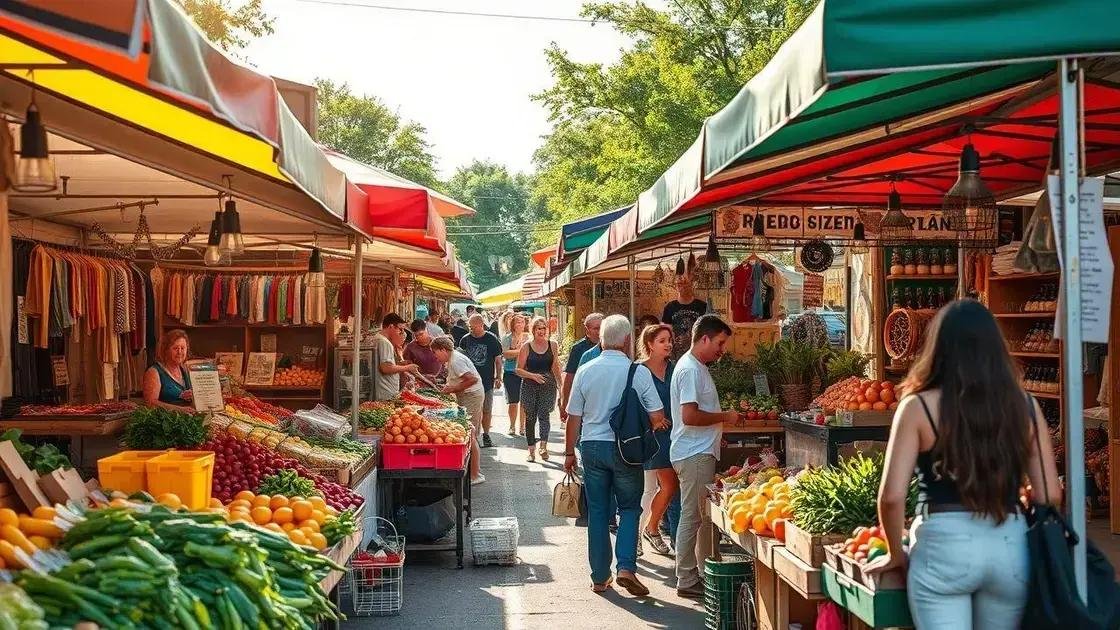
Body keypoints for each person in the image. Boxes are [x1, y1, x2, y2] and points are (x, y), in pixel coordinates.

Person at [864, 300, 1061, 629]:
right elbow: (1050, 495)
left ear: (937, 347)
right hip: (1008, 545)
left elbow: (892, 497)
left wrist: (896, 555)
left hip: (942, 545)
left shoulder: (917, 407)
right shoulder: (1025, 406)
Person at [564, 314, 668, 597]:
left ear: (602, 339)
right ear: (626, 341)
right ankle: (625, 567)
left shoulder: (586, 369)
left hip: (592, 448)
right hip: (626, 449)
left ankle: (599, 577)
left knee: (597, 511)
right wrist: (654, 423)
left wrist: (568, 453)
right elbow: (657, 415)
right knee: (630, 508)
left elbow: (573, 416)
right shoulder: (639, 372)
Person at [671, 314, 736, 599]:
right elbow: (689, 415)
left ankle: (698, 572)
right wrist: (726, 417)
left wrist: (720, 426)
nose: (722, 349)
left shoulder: (697, 367)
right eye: (720, 343)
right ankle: (686, 579)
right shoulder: (690, 370)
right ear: (705, 338)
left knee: (697, 516)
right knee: (693, 516)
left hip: (698, 451)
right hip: (693, 453)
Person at [638, 324, 681, 556]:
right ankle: (643, 532)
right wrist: (652, 420)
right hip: (648, 436)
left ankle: (651, 529)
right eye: (662, 340)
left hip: (673, 435)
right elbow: (633, 403)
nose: (668, 344)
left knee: (666, 486)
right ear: (649, 345)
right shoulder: (638, 370)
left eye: (669, 340)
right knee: (651, 488)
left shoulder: (675, 369)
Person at [431, 336, 486, 485]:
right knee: (470, 432)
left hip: (472, 396)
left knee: (471, 433)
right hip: (468, 395)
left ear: (443, 350)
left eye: (435, 353)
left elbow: (472, 379)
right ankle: (472, 472)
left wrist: (453, 388)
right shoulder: (453, 359)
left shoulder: (456, 361)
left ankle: (475, 474)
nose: (435, 357)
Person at [515, 316, 562, 462]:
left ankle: (543, 446)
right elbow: (518, 370)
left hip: (548, 385)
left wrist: (561, 385)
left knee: (544, 416)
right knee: (530, 417)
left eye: (543, 328)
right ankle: (531, 451)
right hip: (530, 386)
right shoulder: (526, 347)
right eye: (538, 328)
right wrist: (532, 376)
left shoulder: (552, 345)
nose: (541, 331)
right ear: (533, 330)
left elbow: (555, 365)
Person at [458, 314, 504, 448]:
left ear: (481, 324)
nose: (470, 329)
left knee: (487, 409)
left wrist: (498, 377)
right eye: (469, 327)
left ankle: (486, 434)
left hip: (486, 380)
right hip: (469, 381)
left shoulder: (491, 339)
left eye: (473, 327)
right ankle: (473, 435)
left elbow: (498, 360)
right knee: (472, 409)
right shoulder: (465, 340)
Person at [560, 312, 603, 424]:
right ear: (587, 329)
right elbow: (570, 376)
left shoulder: (611, 346)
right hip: (584, 398)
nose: (599, 332)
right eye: (596, 328)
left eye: (601, 328)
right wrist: (565, 403)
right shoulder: (578, 348)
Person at [662, 268, 708, 360]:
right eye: (679, 284)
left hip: (697, 355)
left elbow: (707, 332)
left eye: (685, 284)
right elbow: (665, 331)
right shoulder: (670, 307)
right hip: (675, 357)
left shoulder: (703, 306)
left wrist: (690, 338)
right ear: (675, 286)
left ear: (692, 285)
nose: (682, 287)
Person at [143, 329, 194, 410]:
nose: (179, 352)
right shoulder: (154, 372)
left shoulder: (185, 369)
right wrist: (179, 409)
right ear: (166, 350)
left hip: (187, 418)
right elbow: (150, 403)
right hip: (164, 420)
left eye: (183, 348)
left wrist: (193, 396)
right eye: (175, 348)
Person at [374, 313, 419, 401]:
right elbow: (385, 368)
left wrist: (400, 364)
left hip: (386, 392)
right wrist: (407, 367)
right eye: (400, 329)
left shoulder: (380, 339)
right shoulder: (384, 342)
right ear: (391, 326)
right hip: (386, 394)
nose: (401, 333)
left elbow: (385, 364)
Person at [502, 313, 529, 435]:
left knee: (524, 401)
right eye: (517, 322)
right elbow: (506, 354)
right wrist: (522, 351)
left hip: (525, 372)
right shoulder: (507, 338)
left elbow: (531, 353)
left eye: (522, 322)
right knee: (513, 402)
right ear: (513, 324)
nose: (520, 324)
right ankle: (512, 426)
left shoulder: (528, 337)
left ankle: (522, 427)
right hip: (510, 372)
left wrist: (515, 352)